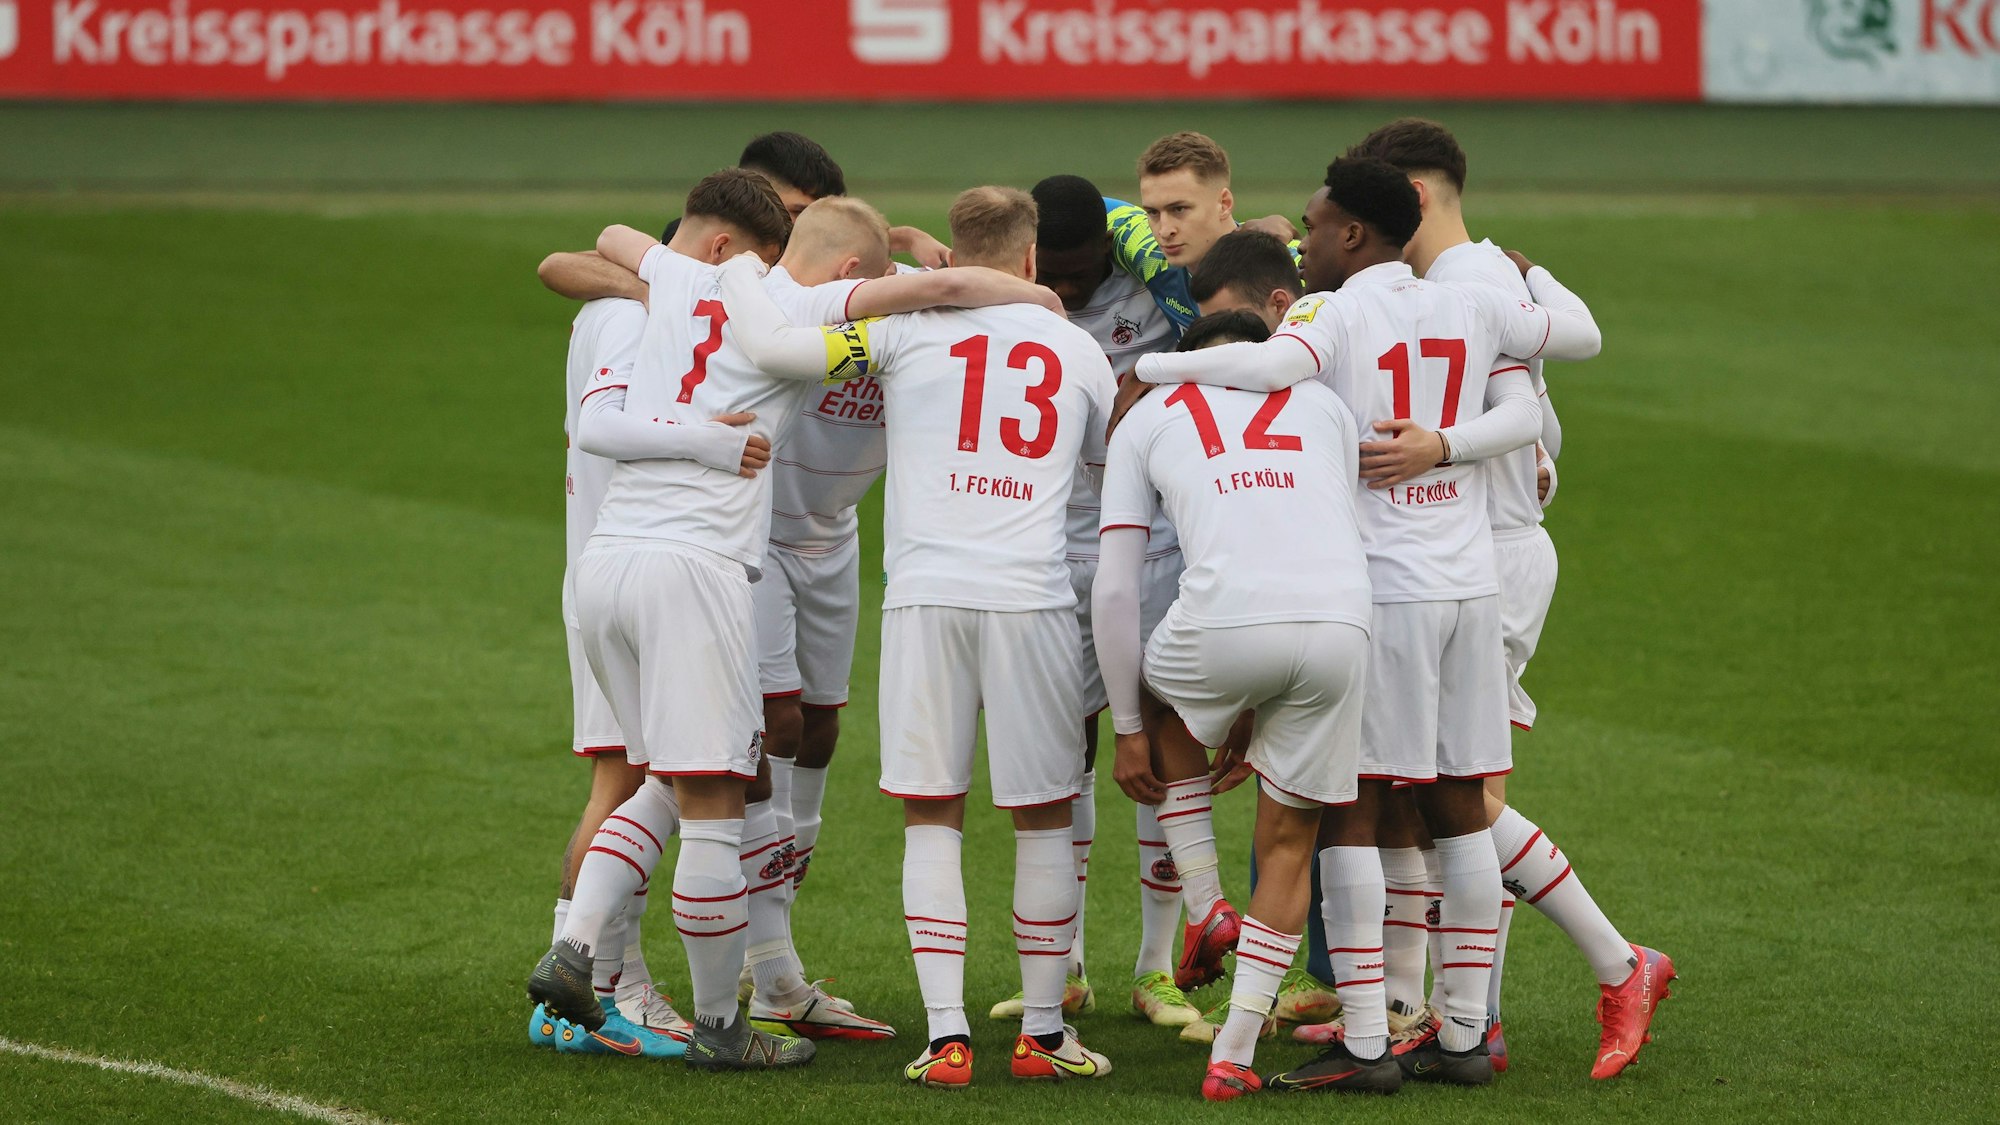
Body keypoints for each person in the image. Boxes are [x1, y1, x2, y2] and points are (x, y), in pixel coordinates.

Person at [526, 176, 1060, 1071]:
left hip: (607, 564)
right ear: (843, 268)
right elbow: (940, 290)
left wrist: (662, 275)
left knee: (658, 777)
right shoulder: (798, 311)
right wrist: (1030, 294)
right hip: (694, 569)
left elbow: (615, 233)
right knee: (713, 806)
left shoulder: (685, 282)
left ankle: (578, 948)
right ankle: (723, 1028)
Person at [1136, 156, 1603, 1088]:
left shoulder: (1332, 311)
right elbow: (1568, 355)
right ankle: (1464, 1034)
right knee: (1462, 804)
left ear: (1353, 233)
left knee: (1350, 809)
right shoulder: (1471, 303)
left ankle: (1366, 1042)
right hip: (1468, 583)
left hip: (1382, 587)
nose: (1302, 249)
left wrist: (1156, 366)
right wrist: (1449, 443)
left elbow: (1270, 364)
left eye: (1312, 228)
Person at [719, 186, 1118, 1090]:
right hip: (1036, 599)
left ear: (950, 254)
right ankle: (1046, 1035)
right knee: (1044, 814)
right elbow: (1100, 483)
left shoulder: (896, 333)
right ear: (1028, 259)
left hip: (926, 597)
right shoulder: (1079, 349)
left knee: (931, 812)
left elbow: (791, 350)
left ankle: (946, 1038)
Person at [1349, 116, 1675, 1079]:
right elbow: (1565, 371)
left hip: (1480, 557)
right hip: (1461, 549)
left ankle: (1613, 965)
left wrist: (1456, 449)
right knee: (1413, 795)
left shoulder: (1468, 284)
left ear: (1411, 199)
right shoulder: (1484, 274)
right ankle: (1425, 1007)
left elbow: (1530, 406)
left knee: (1464, 794)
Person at [1095, 310, 1376, 1101]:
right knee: (1290, 840)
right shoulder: (1322, 402)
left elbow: (1117, 587)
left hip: (1221, 624)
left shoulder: (1149, 413)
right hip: (1341, 621)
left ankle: (1204, 899)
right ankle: (1234, 1055)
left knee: (1155, 701)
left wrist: (1125, 726)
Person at [531, 222, 773, 1061]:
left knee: (649, 777)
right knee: (629, 779)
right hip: (645, 576)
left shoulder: (634, 303)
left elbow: (562, 261)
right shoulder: (642, 322)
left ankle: (598, 980)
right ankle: (600, 991)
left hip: (613, 569)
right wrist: (716, 441)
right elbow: (603, 422)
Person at [991, 172, 1199, 1029]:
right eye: (1056, 271)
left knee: (1154, 737)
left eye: (1080, 272)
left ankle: (1156, 970)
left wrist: (1153, 376)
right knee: (1060, 747)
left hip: (1149, 542)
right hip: (1044, 542)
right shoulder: (1002, 294)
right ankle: (1066, 963)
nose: (1066, 289)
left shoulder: (1154, 288)